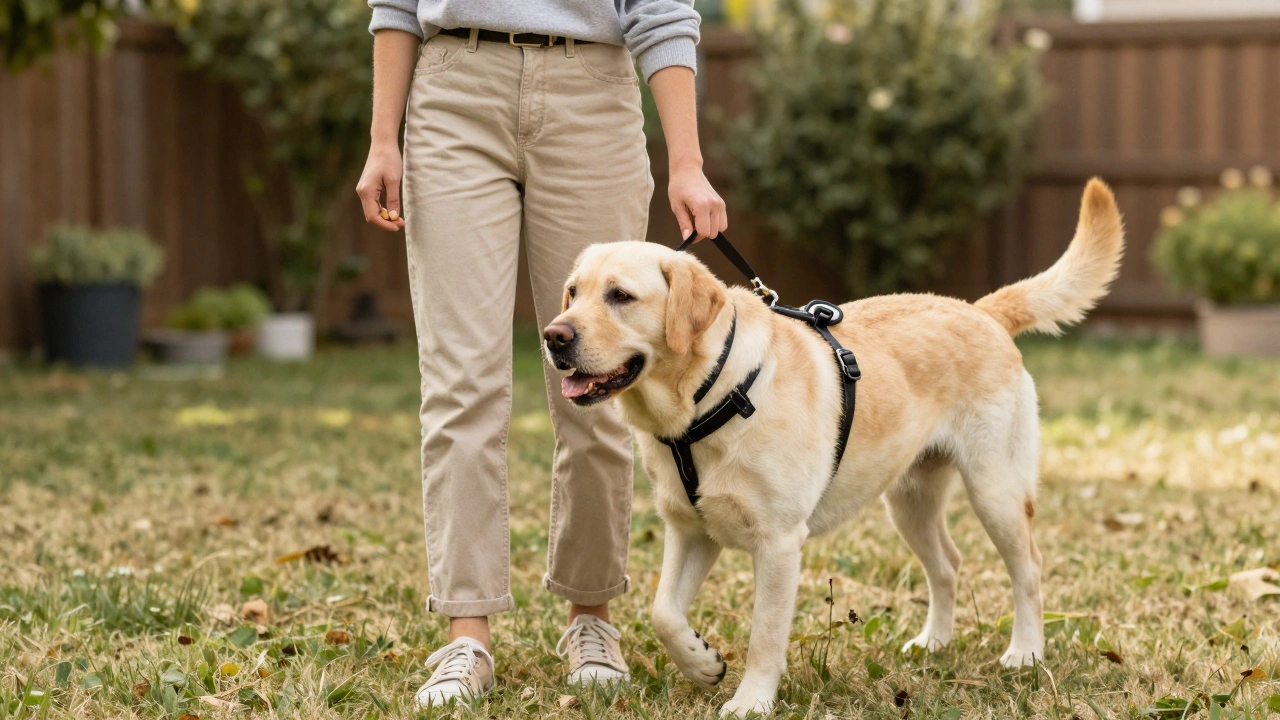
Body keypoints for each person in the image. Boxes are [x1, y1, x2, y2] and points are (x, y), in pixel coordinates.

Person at [354, 0, 728, 706]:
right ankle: (467, 634)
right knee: (461, 383)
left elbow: (661, 11)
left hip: (592, 93)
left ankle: (592, 617)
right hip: (455, 93)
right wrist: (382, 139)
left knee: (604, 378)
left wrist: (687, 162)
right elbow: (397, 5)